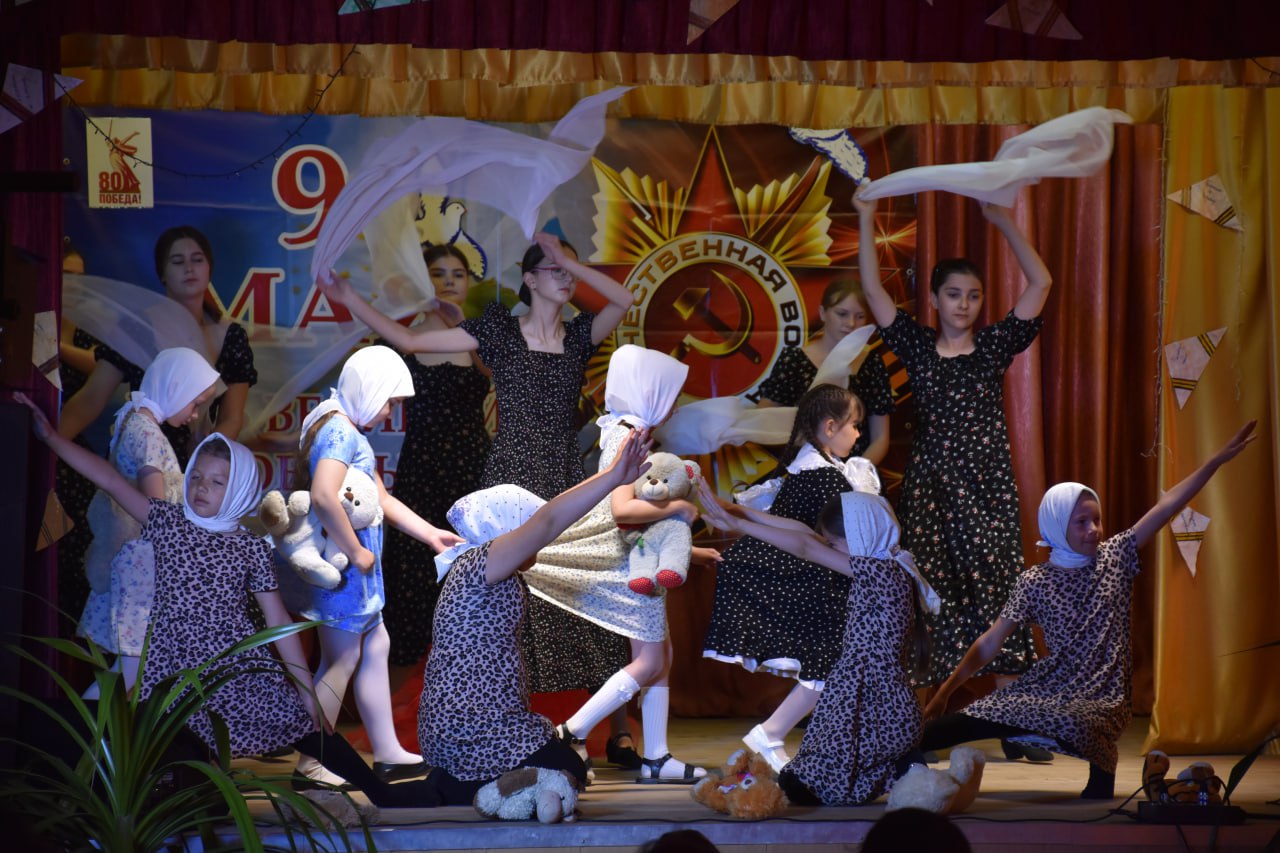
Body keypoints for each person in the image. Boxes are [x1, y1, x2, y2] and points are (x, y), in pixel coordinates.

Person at [16, 395, 444, 808]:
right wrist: (52, 438)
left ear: (238, 487)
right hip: (173, 671)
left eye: (217, 481)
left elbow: (278, 622)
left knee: (306, 723)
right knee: (161, 748)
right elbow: (109, 479)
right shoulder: (167, 521)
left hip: (233, 669)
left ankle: (381, 793)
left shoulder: (249, 547)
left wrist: (305, 690)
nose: (201, 487)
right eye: (197, 477)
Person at [318, 231, 639, 760]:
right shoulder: (499, 331)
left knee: (588, 592)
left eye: (571, 269)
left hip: (566, 474)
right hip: (511, 477)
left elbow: (624, 299)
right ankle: (517, 726)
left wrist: (567, 261)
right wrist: (349, 296)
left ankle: (615, 730)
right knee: (515, 606)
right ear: (529, 279)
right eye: (553, 269)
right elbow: (411, 341)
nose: (565, 276)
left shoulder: (581, 333)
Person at [920, 421, 1257, 799]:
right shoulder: (1034, 581)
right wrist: (944, 692)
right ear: (1055, 525)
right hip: (1049, 689)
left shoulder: (1115, 556)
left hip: (1101, 697)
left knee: (1078, 723)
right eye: (1081, 522)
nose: (1094, 529)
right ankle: (901, 765)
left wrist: (1215, 462)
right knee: (962, 722)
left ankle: (1101, 776)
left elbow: (1166, 506)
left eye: (1096, 519)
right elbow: (989, 644)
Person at [853, 189, 1052, 741]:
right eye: (953, 294)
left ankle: (1015, 723)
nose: (964, 305)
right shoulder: (917, 347)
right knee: (930, 597)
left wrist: (1004, 220)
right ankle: (917, 726)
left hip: (988, 491)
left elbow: (1040, 283)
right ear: (935, 300)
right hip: (931, 493)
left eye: (974, 295)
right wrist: (867, 216)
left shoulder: (992, 347)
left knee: (999, 593)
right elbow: (872, 289)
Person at [418, 428, 653, 804]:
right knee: (571, 770)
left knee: (568, 767)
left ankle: (487, 785)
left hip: (487, 721)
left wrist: (614, 476)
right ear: (506, 530)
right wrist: (612, 478)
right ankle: (471, 787)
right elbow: (547, 521)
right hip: (472, 728)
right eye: (526, 532)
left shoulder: (480, 565)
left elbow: (549, 517)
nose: (540, 547)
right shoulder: (484, 560)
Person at [525, 345, 712, 783]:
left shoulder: (626, 429)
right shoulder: (629, 435)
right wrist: (678, 509)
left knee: (660, 657)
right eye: (669, 394)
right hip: (627, 562)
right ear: (648, 391)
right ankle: (570, 730)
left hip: (636, 556)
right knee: (649, 661)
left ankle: (657, 756)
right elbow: (622, 509)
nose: (674, 405)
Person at [285, 345, 463, 785]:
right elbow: (324, 495)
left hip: (357, 577)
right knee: (341, 660)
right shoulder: (340, 432)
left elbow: (380, 498)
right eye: (390, 401)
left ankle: (387, 751)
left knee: (374, 647)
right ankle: (311, 762)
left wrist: (430, 534)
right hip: (347, 573)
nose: (389, 412)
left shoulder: (339, 425)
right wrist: (357, 550)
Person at [699, 489, 936, 806]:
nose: (830, 550)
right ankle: (908, 768)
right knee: (802, 779)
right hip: (876, 704)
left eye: (834, 544)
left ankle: (909, 770)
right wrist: (741, 513)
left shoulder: (881, 573)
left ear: (859, 536)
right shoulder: (889, 565)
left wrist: (738, 525)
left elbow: (807, 546)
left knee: (801, 787)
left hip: (875, 710)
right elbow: (807, 536)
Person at [702, 383, 880, 772]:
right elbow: (807, 538)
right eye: (854, 425)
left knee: (841, 667)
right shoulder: (821, 476)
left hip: (822, 576)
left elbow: (795, 527)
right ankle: (771, 733)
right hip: (815, 581)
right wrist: (738, 517)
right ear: (830, 427)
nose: (858, 434)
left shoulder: (816, 469)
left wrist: (739, 515)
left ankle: (794, 739)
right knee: (835, 662)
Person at [377, 244, 492, 676]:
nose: (448, 281)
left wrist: (462, 323)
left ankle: (469, 660)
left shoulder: (479, 335)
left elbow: (495, 373)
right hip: (422, 461)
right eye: (438, 273)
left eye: (458, 274)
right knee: (415, 558)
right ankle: (409, 668)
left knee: (471, 555)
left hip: (471, 462)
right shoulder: (402, 339)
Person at [79, 347, 219, 695]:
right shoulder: (149, 435)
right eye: (195, 403)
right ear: (175, 388)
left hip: (134, 560)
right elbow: (157, 511)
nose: (194, 414)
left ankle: (94, 729)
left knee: (133, 668)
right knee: (132, 667)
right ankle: (84, 728)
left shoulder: (132, 421)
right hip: (144, 568)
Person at [58, 226, 258, 465]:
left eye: (197, 260)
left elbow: (231, 418)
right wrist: (50, 443)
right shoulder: (137, 326)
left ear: (209, 269)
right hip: (142, 457)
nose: (189, 268)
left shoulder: (230, 335)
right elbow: (92, 398)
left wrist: (203, 458)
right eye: (177, 261)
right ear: (162, 272)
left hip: (197, 462)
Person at [756, 278, 895, 465]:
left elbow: (880, 439)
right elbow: (762, 420)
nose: (851, 323)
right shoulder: (795, 360)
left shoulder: (871, 363)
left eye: (860, 316)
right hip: (804, 469)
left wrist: (854, 475)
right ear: (823, 313)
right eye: (842, 314)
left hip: (855, 472)